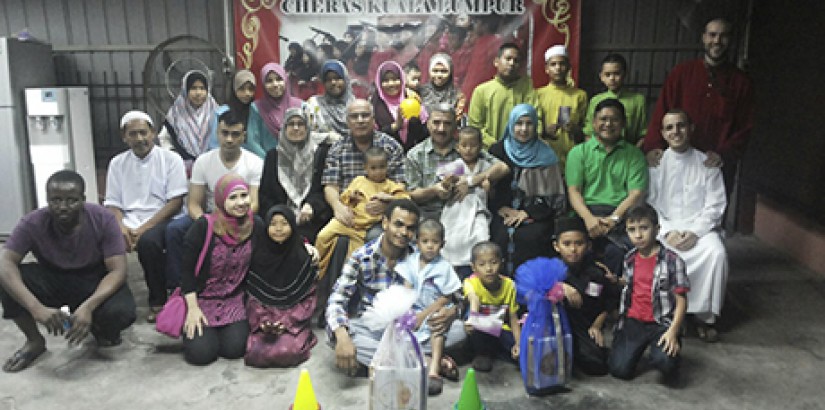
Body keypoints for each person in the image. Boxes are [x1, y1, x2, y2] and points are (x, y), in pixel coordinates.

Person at [0, 170, 136, 372]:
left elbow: (118, 271)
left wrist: (88, 307)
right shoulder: (32, 222)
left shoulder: (103, 219)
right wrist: (36, 308)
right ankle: (34, 342)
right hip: (54, 277)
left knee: (120, 313)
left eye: (71, 200)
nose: (63, 207)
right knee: (7, 279)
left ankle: (98, 327)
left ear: (83, 199)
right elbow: (6, 262)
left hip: (94, 279)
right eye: (56, 200)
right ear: (47, 200)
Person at [327, 200, 461, 375]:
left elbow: (456, 296)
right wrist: (342, 336)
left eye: (410, 228)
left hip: (415, 327)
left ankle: (394, 363)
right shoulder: (362, 257)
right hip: (375, 329)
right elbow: (337, 298)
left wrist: (452, 313)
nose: (404, 233)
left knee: (459, 330)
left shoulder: (423, 255)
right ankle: (427, 361)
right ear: (385, 223)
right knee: (335, 335)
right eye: (398, 224)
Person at [643, 18, 754, 198]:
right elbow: (661, 112)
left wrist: (724, 155)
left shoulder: (741, 83)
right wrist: (653, 146)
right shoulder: (681, 74)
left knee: (712, 216)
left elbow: (744, 127)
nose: (717, 41)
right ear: (703, 37)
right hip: (678, 160)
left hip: (716, 164)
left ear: (731, 40)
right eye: (712, 35)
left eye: (723, 36)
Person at [647, 110, 728, 342]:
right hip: (666, 229)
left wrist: (695, 232)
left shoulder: (708, 163)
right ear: (662, 133)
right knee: (655, 251)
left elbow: (715, 204)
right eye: (669, 128)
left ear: (691, 128)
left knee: (716, 253)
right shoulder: (656, 163)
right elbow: (651, 204)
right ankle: (671, 315)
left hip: (700, 230)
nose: (676, 132)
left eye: (681, 126)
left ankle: (704, 318)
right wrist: (666, 231)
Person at [165, 110, 263, 295]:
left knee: (259, 225)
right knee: (174, 230)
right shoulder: (203, 161)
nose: (229, 139)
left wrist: (229, 220)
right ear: (217, 133)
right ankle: (179, 288)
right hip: (209, 217)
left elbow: (254, 203)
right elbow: (193, 203)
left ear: (244, 136)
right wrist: (207, 224)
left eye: (235, 134)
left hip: (240, 215)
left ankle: (245, 288)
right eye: (224, 133)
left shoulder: (255, 163)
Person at [104, 111, 188, 322]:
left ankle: (158, 300)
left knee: (149, 243)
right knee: (100, 238)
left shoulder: (171, 159)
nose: (140, 138)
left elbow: (175, 202)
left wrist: (142, 229)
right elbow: (113, 203)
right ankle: (106, 300)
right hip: (129, 220)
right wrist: (121, 227)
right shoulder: (117, 163)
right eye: (133, 134)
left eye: (144, 132)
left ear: (153, 133)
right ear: (124, 137)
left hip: (164, 217)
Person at [181, 174, 259, 365]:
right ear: (221, 200)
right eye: (233, 197)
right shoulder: (204, 226)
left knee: (235, 349)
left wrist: (305, 245)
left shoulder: (255, 226)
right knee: (201, 355)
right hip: (201, 300)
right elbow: (186, 271)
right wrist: (192, 309)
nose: (240, 202)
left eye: (244, 195)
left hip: (233, 299)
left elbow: (278, 244)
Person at [566, 98, 648, 278]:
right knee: (573, 249)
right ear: (594, 123)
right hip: (584, 213)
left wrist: (614, 219)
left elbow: (636, 193)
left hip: (620, 215)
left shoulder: (634, 155)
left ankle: (611, 302)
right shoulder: (578, 152)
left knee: (617, 252)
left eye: (614, 119)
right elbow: (574, 191)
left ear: (623, 123)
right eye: (603, 119)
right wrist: (588, 219)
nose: (608, 124)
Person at [608, 204, 689, 382]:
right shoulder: (629, 258)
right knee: (619, 370)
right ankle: (637, 347)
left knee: (666, 365)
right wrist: (616, 280)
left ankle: (664, 353)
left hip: (660, 322)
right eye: (632, 230)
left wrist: (672, 331)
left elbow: (681, 300)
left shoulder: (672, 261)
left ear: (657, 229)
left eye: (644, 228)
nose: (638, 235)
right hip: (633, 320)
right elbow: (631, 284)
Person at [489, 104, 566, 276]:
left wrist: (527, 212)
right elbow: (487, 187)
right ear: (510, 125)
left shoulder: (546, 155)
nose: (523, 129)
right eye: (518, 123)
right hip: (501, 212)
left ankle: (528, 290)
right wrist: (500, 207)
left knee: (531, 236)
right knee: (499, 234)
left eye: (529, 124)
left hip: (536, 213)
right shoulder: (497, 151)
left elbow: (554, 199)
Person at [316, 147, 409, 282]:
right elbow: (343, 198)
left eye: (382, 167)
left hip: (363, 230)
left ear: (387, 167)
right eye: (373, 168)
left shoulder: (390, 185)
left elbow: (406, 199)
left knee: (354, 259)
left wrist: (389, 198)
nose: (378, 172)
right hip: (347, 221)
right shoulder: (358, 181)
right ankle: (317, 269)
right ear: (365, 168)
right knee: (322, 236)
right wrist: (351, 196)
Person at [395, 219, 464, 396]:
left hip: (434, 309)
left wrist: (424, 315)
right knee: (399, 334)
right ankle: (437, 360)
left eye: (435, 242)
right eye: (425, 242)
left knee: (438, 327)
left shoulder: (444, 267)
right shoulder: (410, 262)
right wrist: (408, 313)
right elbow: (406, 289)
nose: (430, 246)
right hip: (414, 309)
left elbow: (446, 297)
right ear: (417, 242)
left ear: (443, 244)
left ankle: (433, 371)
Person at [406, 104, 509, 221]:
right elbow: (412, 194)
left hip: (464, 215)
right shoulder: (415, 155)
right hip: (428, 217)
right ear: (428, 124)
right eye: (436, 122)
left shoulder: (466, 148)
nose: (441, 128)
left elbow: (503, 168)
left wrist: (473, 180)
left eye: (447, 123)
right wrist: (434, 190)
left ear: (455, 126)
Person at [244, 205, 319, 368]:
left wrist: (286, 322)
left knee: (286, 351)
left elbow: (308, 299)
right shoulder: (258, 257)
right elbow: (252, 297)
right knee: (255, 352)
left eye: (284, 223)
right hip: (264, 322)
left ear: (292, 226)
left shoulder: (302, 258)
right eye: (273, 224)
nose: (278, 229)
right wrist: (263, 321)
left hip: (293, 323)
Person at [258, 107, 333, 244]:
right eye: (291, 124)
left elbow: (324, 189)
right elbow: (265, 194)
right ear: (284, 128)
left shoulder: (321, 154)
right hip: (279, 220)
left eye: (301, 124)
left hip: (311, 219)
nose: (296, 128)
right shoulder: (273, 156)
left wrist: (312, 205)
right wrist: (281, 214)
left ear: (307, 128)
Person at [554, 217, 615, 376]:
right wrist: (560, 286)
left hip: (583, 325)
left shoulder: (596, 273)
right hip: (554, 325)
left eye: (579, 243)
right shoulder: (549, 269)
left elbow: (606, 304)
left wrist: (596, 326)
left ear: (588, 246)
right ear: (556, 246)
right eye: (566, 244)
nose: (573, 249)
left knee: (596, 366)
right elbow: (529, 288)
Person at [439, 126, 495, 278]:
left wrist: (488, 188)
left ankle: (477, 273)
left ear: (480, 146)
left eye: (473, 145)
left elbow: (492, 194)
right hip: (456, 209)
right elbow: (443, 190)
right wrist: (448, 183)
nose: (468, 149)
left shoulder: (485, 166)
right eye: (464, 145)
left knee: (480, 236)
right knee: (453, 240)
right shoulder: (454, 166)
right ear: (458, 147)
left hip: (478, 210)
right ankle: (453, 274)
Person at [463, 241, 521, 373]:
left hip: (499, 328)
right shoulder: (470, 282)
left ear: (502, 262)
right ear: (473, 267)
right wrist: (473, 318)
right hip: (480, 328)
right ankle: (482, 353)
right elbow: (474, 299)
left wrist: (519, 344)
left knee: (520, 354)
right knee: (470, 321)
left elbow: (513, 318)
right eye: (482, 264)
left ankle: (497, 352)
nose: (488, 269)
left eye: (493, 262)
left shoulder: (509, 285)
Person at [467, 42, 539, 149]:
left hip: (523, 152)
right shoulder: (481, 91)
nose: (512, 63)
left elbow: (537, 120)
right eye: (508, 59)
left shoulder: (527, 89)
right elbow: (475, 126)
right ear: (496, 62)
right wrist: (496, 145)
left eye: (516, 60)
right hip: (489, 153)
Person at [536, 45, 588, 166]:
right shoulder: (538, 95)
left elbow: (587, 127)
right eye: (553, 64)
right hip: (545, 155)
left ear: (569, 67)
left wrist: (575, 129)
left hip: (573, 154)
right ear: (546, 69)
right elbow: (531, 127)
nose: (558, 68)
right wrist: (544, 131)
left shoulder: (580, 95)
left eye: (562, 64)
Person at [158, 70, 218, 172]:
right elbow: (164, 138)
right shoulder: (175, 113)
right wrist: (174, 156)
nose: (198, 93)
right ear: (185, 90)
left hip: (212, 166)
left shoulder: (216, 112)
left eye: (202, 88)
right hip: (182, 168)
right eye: (193, 88)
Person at [583, 53, 647, 146]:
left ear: (624, 74)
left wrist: (634, 153)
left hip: (627, 153)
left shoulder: (638, 100)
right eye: (608, 74)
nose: (612, 78)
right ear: (601, 77)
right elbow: (588, 132)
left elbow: (643, 133)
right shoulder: (595, 100)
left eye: (616, 74)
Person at [246, 62, 304, 158]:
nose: (275, 84)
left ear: (285, 80)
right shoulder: (257, 108)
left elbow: (308, 138)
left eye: (279, 79)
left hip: (298, 163)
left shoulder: (301, 106)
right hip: (266, 164)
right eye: (269, 81)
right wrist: (269, 162)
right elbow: (253, 142)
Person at [371, 60, 428, 152]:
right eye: (386, 80)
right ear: (379, 83)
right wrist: (396, 125)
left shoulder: (412, 98)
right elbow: (374, 137)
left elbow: (425, 134)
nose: (391, 84)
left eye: (395, 79)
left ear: (402, 79)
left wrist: (415, 122)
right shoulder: (375, 105)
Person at [306, 60, 355, 141]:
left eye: (338, 78)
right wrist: (326, 137)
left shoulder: (356, 105)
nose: (333, 82)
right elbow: (304, 135)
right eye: (328, 79)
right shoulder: (314, 104)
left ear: (345, 80)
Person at [209, 69, 258, 149]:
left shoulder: (256, 111)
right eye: (242, 89)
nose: (247, 93)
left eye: (250, 89)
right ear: (234, 89)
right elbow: (214, 144)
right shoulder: (222, 112)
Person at [459, 16, 503, 104]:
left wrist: (466, 95)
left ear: (485, 26)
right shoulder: (497, 41)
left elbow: (477, 74)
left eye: (476, 22)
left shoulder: (485, 43)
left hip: (479, 96)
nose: (474, 26)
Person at [419, 53, 466, 120]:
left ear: (450, 73)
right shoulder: (419, 92)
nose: (439, 75)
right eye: (435, 71)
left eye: (444, 71)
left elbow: (457, 120)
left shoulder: (458, 96)